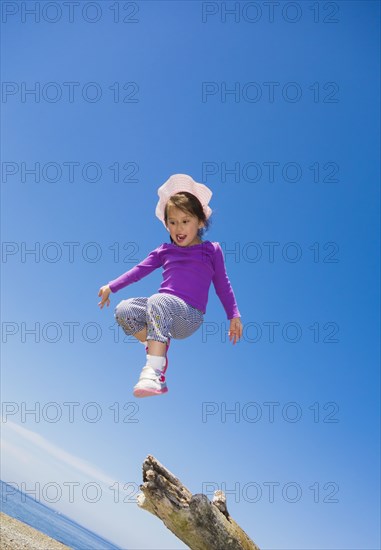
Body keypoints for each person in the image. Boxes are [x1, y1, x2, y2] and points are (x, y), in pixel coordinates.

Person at [98, 174, 242, 398]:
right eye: (172, 222)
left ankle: (154, 371)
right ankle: (158, 348)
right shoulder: (165, 250)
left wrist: (233, 315)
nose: (179, 228)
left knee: (158, 300)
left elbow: (223, 284)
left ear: (200, 221)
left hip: (189, 316)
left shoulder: (211, 250)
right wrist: (112, 286)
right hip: (161, 311)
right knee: (124, 310)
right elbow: (139, 271)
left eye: (185, 221)